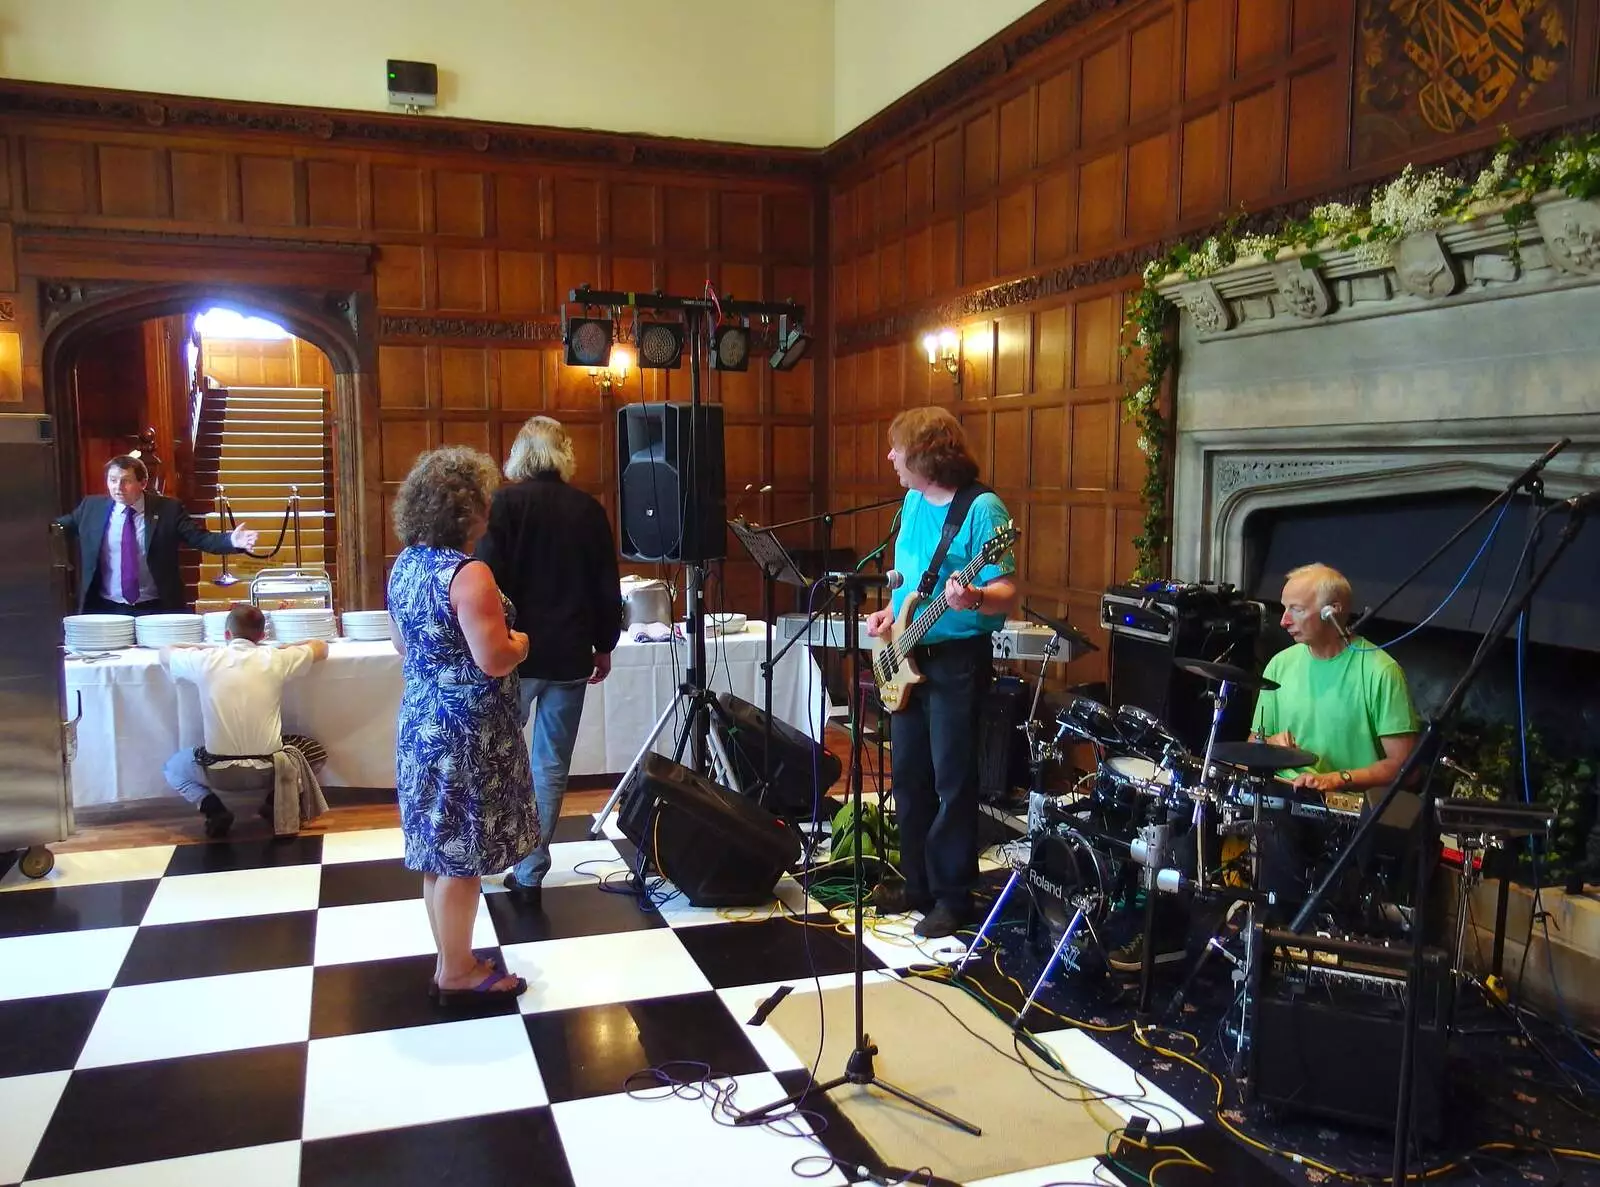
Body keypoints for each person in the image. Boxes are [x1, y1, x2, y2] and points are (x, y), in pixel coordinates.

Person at [388, 445, 537, 1006]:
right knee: (462, 854)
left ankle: (452, 957)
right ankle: (456, 972)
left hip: (422, 718)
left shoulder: (406, 565)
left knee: (438, 851)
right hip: (466, 731)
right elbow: (494, 657)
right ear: (465, 509)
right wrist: (523, 641)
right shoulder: (468, 573)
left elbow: (403, 644)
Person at [865, 407, 1018, 939]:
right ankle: (917, 883)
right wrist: (890, 614)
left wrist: (973, 594)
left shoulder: (983, 509)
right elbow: (909, 581)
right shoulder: (910, 501)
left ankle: (954, 895)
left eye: (897, 449)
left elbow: (1006, 594)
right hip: (906, 656)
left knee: (953, 780)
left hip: (956, 663)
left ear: (926, 455)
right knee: (909, 776)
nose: (890, 457)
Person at [476, 416, 622, 909]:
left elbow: (484, 582)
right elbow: (607, 588)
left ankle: (486, 856)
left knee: (496, 756)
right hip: (569, 654)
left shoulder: (502, 505)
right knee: (550, 764)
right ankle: (532, 867)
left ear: (519, 454)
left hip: (510, 652)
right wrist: (604, 645)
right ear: (564, 454)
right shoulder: (588, 510)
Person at [160, 604, 328, 838]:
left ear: (227, 635)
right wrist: (283, 646)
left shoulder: (205, 660)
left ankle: (212, 808)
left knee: (171, 768)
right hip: (270, 769)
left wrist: (203, 646)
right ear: (261, 636)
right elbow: (321, 647)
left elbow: (165, 651)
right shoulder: (275, 658)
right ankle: (275, 801)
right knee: (314, 752)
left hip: (216, 771)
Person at [1252, 563, 1419, 792]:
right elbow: (1253, 742)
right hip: (1281, 795)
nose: (1284, 621)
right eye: (1284, 608)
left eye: (1297, 610)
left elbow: (1405, 768)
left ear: (1332, 611)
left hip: (1347, 811)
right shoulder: (1279, 664)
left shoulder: (1381, 671)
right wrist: (1269, 744)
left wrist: (1337, 779)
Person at [54, 455, 259, 614]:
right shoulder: (91, 508)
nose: (118, 487)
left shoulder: (168, 510)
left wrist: (231, 540)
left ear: (143, 483)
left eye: (125, 481)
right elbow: (58, 528)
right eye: (113, 480)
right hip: (106, 607)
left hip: (156, 607)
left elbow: (199, 538)